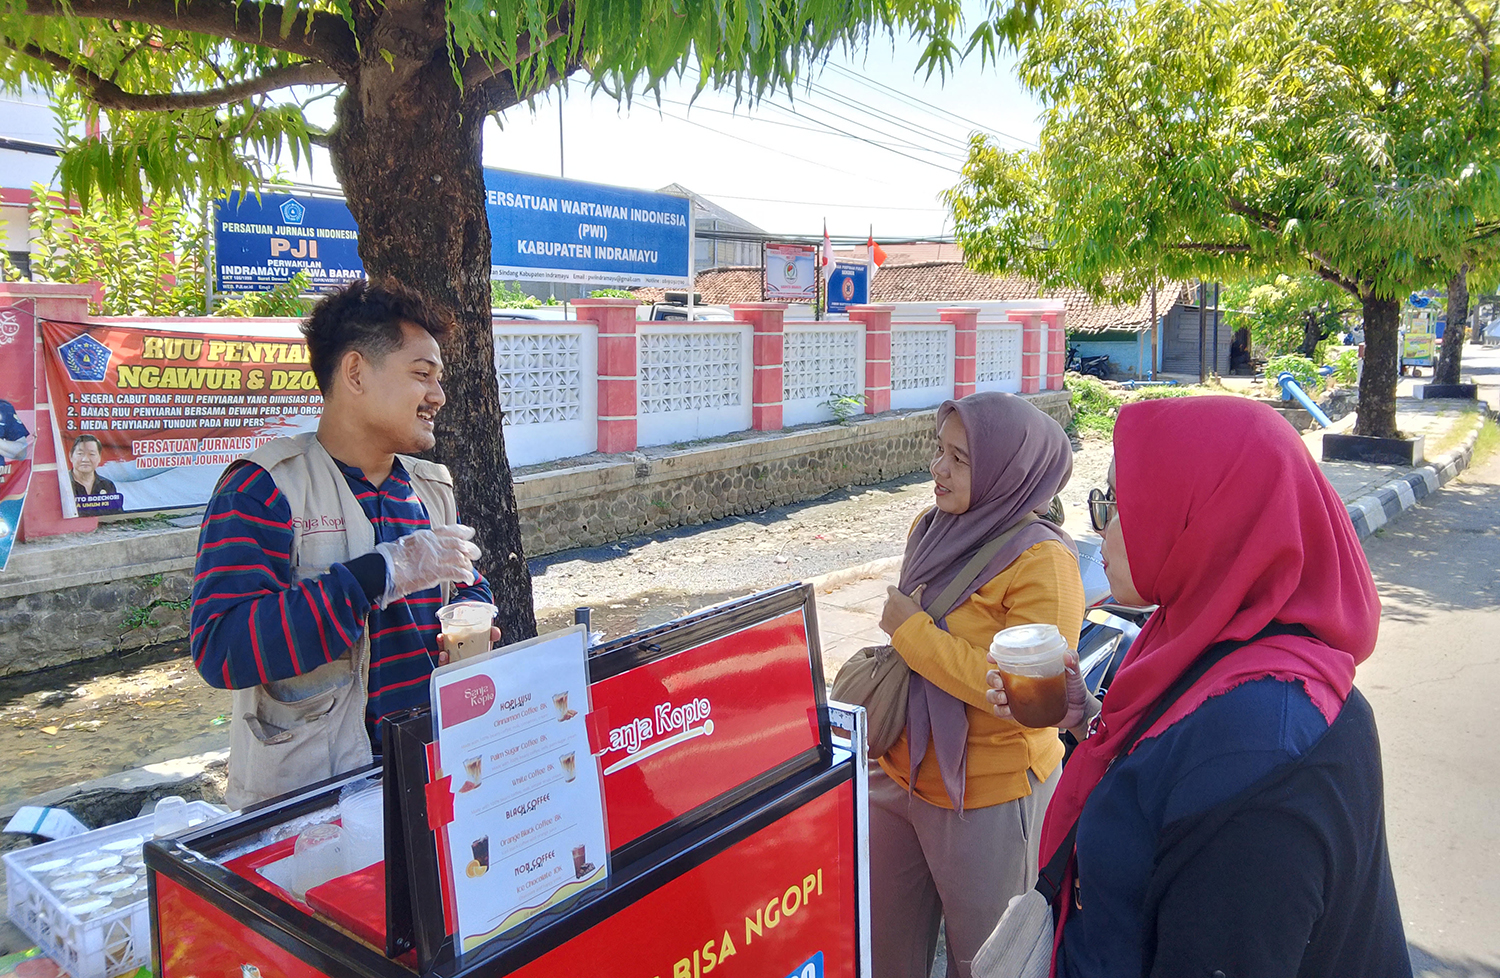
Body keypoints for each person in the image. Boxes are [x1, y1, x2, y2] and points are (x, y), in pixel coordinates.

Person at [987, 396, 1409, 977]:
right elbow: (1167, 773)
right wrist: (1088, 718)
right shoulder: (1213, 641)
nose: (1100, 529)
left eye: (1116, 505)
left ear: (1199, 517)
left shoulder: (1261, 750)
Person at [191, 280, 497, 809]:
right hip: (310, 802)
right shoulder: (264, 489)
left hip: (429, 782)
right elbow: (223, 648)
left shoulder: (430, 488)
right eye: (421, 375)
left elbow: (462, 587)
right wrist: (374, 576)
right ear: (355, 372)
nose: (438, 396)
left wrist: (474, 614)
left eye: (438, 379)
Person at [873, 391, 1085, 978]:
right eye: (939, 451)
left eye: (961, 459)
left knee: (988, 964)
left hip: (989, 796)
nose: (939, 469)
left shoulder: (1042, 561)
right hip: (899, 770)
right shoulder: (931, 528)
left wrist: (911, 633)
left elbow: (1024, 697)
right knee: (885, 951)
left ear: (1006, 472)